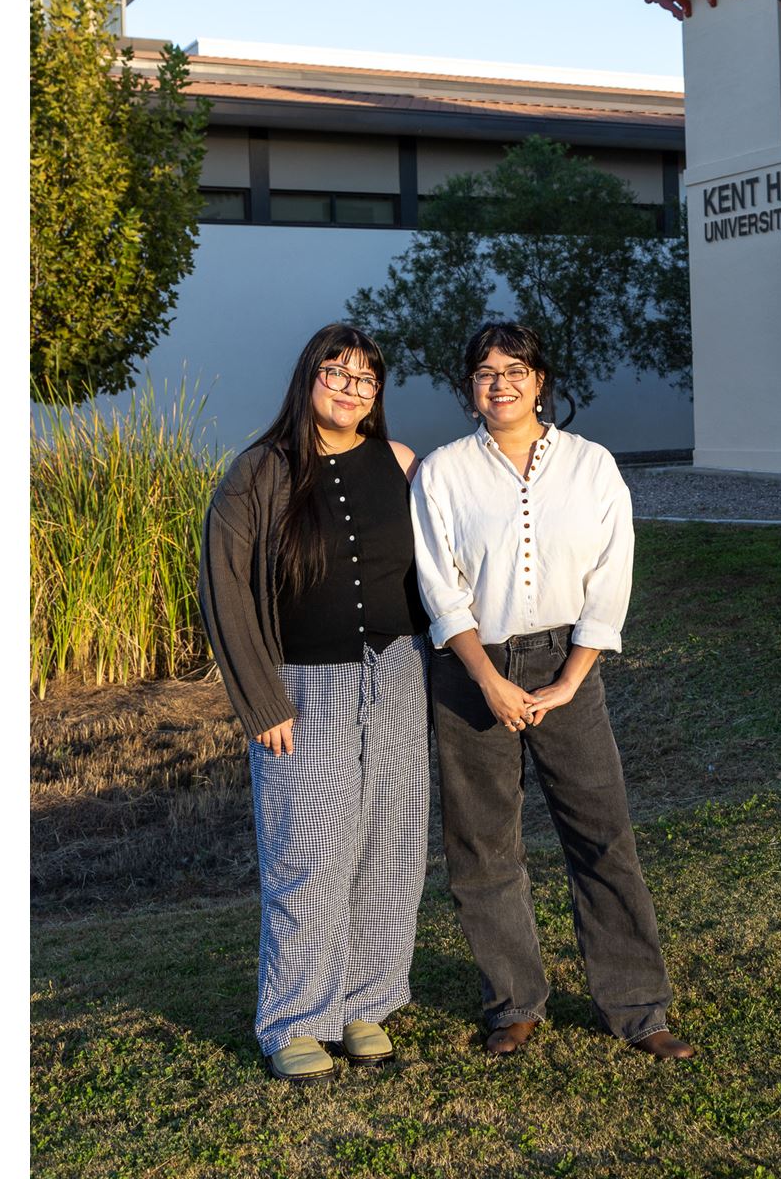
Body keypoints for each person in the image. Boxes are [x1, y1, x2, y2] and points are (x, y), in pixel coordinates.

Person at [410, 321, 696, 1061]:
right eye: (484, 372)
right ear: (468, 390)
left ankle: (638, 1007)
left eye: (515, 369)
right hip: (472, 672)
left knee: (602, 836)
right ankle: (513, 1004)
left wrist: (570, 679)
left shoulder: (592, 466)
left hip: (567, 665)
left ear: (541, 381)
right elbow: (440, 586)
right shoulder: (442, 473)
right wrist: (488, 680)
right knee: (482, 845)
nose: (499, 382)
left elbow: (612, 574)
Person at [197, 323, 430, 1083]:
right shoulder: (259, 472)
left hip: (396, 673)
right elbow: (224, 588)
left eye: (367, 379)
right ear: (309, 377)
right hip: (302, 683)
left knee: (390, 847)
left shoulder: (401, 465)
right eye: (338, 372)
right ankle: (297, 1017)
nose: (351, 388)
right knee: (310, 851)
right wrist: (261, 701)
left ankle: (366, 1003)